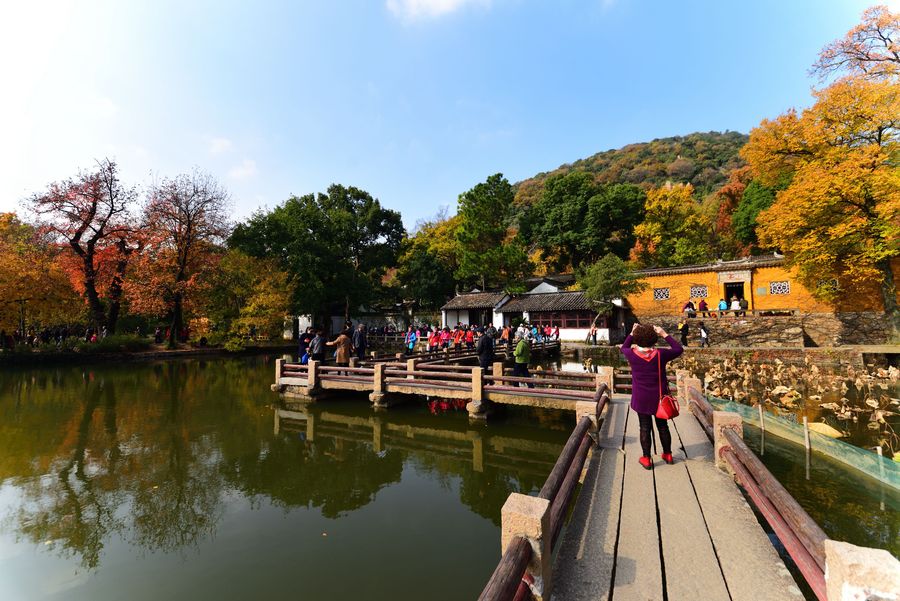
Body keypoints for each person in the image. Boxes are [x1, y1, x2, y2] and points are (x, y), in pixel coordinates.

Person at [620, 323, 684, 469]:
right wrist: (663, 333)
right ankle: (667, 454)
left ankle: (646, 458)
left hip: (641, 398)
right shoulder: (661, 354)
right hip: (659, 398)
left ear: (637, 339)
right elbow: (678, 349)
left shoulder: (631, 353)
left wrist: (631, 333)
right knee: (663, 426)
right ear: (654, 340)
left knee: (644, 427)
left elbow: (624, 347)